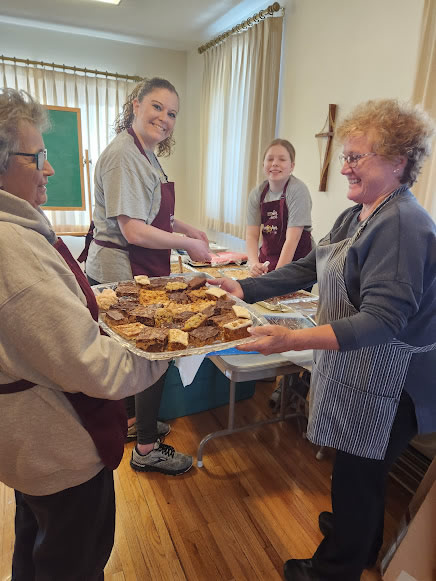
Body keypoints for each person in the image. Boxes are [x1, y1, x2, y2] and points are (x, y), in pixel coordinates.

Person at [211, 99, 436, 581]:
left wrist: (290, 339)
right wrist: (244, 287)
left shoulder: (402, 225)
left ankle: (335, 568)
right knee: (362, 470)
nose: (345, 165)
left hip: (394, 381)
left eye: (358, 156)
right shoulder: (361, 213)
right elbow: (312, 265)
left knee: (357, 474)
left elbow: (382, 321)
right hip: (365, 368)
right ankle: (362, 540)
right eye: (346, 155)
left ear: (398, 161)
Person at [0, 88, 170, 580]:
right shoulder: (14, 254)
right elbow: (92, 366)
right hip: (54, 447)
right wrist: (169, 350)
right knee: (73, 560)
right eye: (40, 158)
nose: (50, 170)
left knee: (36, 541)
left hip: (28, 447)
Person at [80, 77, 211, 475]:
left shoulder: (146, 154)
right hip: (123, 268)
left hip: (141, 266)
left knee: (144, 353)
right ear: (135, 105)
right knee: (154, 352)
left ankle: (139, 423)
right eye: (157, 107)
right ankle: (147, 449)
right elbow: (134, 230)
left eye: (172, 113)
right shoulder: (124, 155)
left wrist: (188, 230)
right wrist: (187, 247)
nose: (164, 118)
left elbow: (156, 213)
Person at [246, 138, 312, 277]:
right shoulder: (257, 194)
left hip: (297, 264)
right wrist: (254, 264)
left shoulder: (298, 191)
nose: (275, 163)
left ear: (292, 166)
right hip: (268, 260)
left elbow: (292, 239)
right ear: (263, 164)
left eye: (282, 159)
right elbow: (252, 235)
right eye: (270, 159)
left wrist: (276, 278)